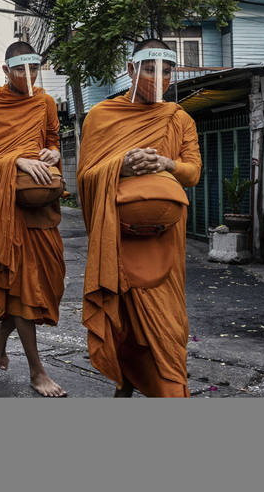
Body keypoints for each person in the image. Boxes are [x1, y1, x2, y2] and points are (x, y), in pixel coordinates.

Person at [77, 38, 201, 397]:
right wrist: (121, 166)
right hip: (118, 242)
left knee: (169, 329)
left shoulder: (180, 118)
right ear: (131, 70)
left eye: (166, 70)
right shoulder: (101, 116)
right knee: (124, 325)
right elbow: (85, 176)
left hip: (164, 243)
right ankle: (126, 382)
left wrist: (166, 163)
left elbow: (193, 173)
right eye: (150, 69)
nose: (158, 77)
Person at [0, 41, 67, 397]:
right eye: (19, 70)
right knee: (25, 290)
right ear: (6, 71)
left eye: (34, 70)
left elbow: (54, 139)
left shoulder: (45, 102)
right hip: (9, 209)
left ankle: (2, 332)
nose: (27, 77)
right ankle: (36, 370)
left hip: (41, 206)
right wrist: (15, 160)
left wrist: (53, 153)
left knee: (49, 285)